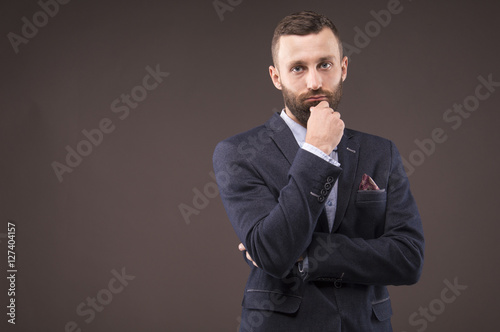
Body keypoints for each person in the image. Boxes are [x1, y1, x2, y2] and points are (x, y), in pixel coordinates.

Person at [213, 11, 424, 332]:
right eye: (298, 68)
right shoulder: (238, 154)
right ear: (276, 77)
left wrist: (305, 255)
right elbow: (274, 252)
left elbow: (408, 259)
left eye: (324, 64)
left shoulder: (381, 152)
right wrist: (316, 152)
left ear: (343, 68)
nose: (314, 82)